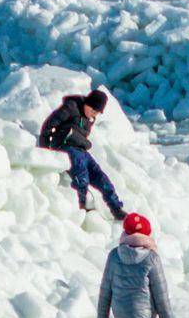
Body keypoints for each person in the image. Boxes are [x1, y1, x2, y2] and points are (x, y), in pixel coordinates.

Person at [39, 89, 127, 220]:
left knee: (102, 178)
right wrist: (45, 148)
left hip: (81, 150)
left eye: (97, 113)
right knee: (82, 176)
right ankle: (81, 207)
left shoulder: (89, 118)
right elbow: (48, 124)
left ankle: (116, 209)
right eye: (93, 110)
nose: (94, 115)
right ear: (88, 103)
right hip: (66, 146)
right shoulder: (70, 107)